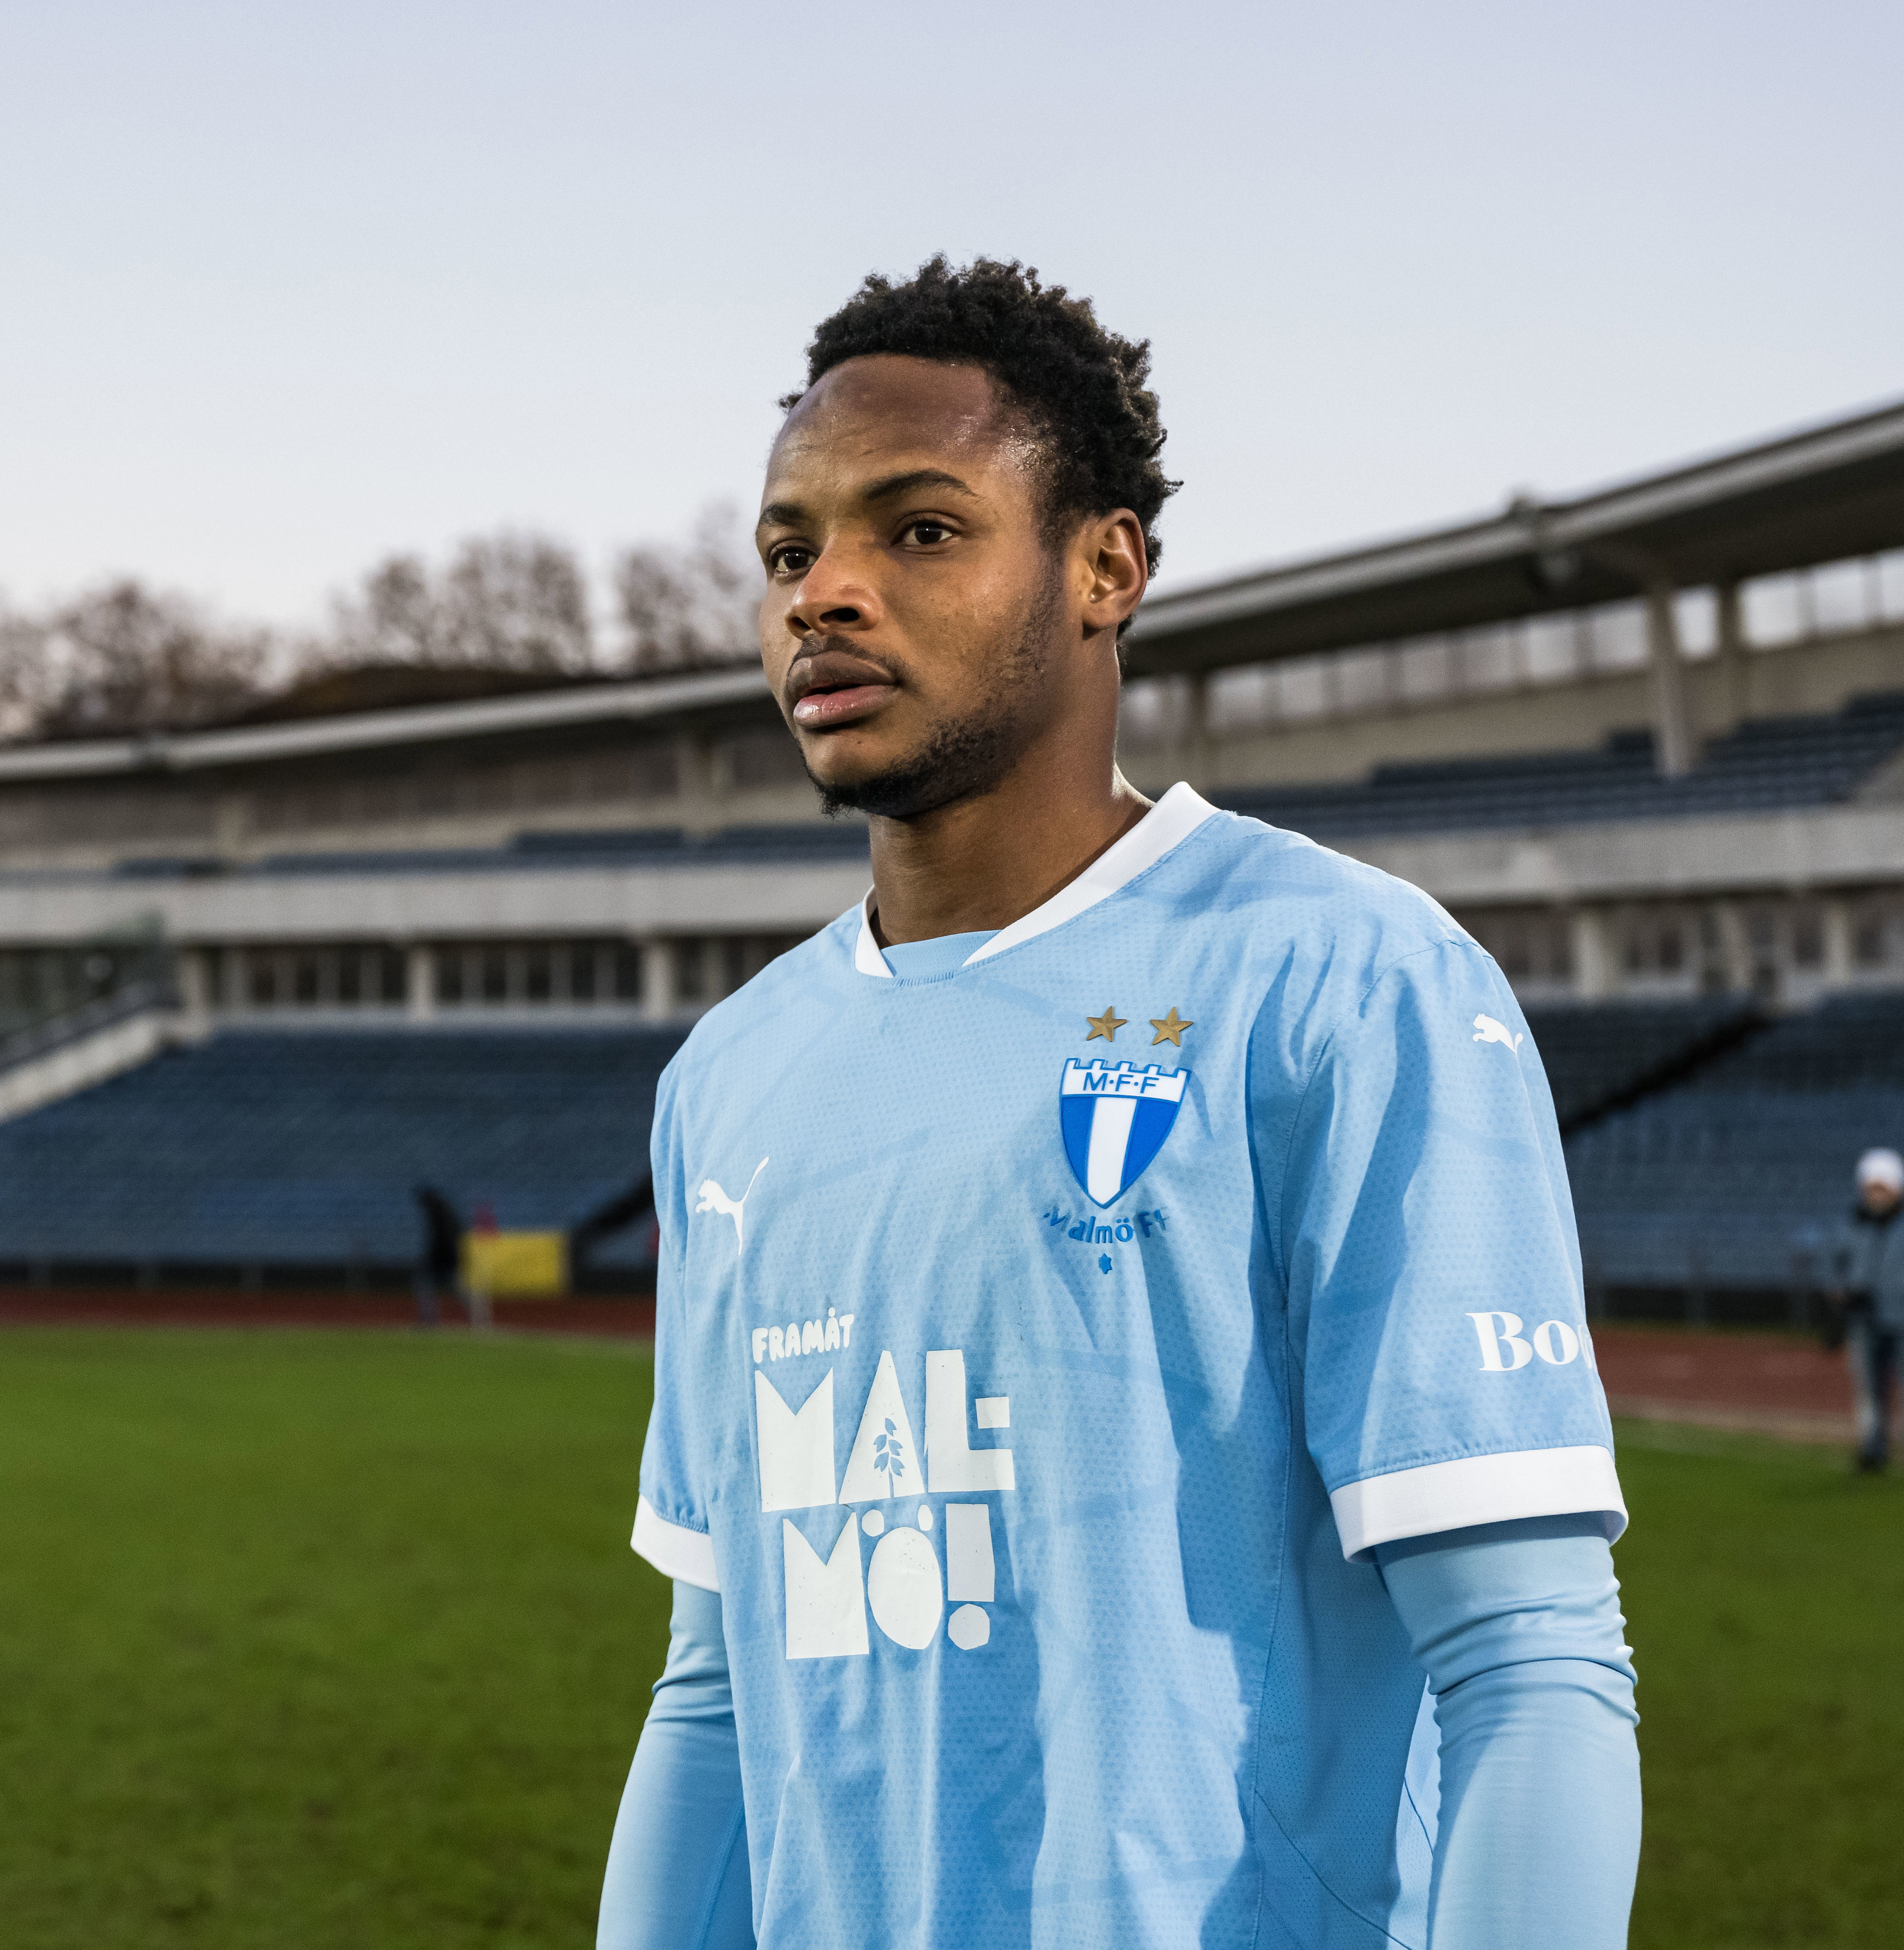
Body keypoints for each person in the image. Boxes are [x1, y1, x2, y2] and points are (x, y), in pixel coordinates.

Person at [598, 258, 1640, 1950]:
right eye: (788, 552)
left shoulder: (1336, 976)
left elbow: (1529, 1661)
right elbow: (717, 1694)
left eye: (918, 529)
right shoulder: (727, 1074)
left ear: (1105, 567)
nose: (824, 593)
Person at [1832, 1147, 1904, 1470]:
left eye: (1882, 1188)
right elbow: (1841, 1267)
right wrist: (1845, 1297)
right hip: (1865, 1320)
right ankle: (1873, 1446)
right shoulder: (1855, 1225)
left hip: (1900, 1317)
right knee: (1869, 1388)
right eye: (1871, 1188)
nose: (1876, 1195)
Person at [412, 1185, 459, 1330]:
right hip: (448, 1258)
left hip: (443, 1258)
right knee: (456, 1288)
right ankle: (478, 1321)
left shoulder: (438, 1215)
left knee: (426, 1285)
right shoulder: (446, 1213)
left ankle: (428, 1321)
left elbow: (444, 1240)